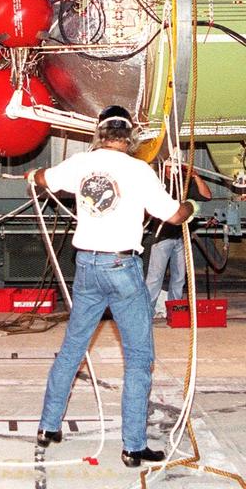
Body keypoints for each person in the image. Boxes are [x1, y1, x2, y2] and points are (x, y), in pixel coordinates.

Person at [30, 105, 198, 468]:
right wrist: (190, 206)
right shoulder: (139, 170)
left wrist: (35, 173)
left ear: (100, 133)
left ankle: (48, 426)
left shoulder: (80, 163)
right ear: (130, 135)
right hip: (122, 266)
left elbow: (43, 179)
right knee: (139, 358)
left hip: (87, 267)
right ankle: (133, 446)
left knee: (73, 349)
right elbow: (172, 215)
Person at [145, 159, 212, 321]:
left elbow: (207, 195)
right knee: (155, 277)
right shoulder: (159, 184)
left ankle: (175, 312)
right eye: (168, 167)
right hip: (162, 237)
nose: (171, 170)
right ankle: (147, 313)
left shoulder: (184, 184)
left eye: (173, 167)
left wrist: (195, 176)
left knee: (179, 277)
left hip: (182, 236)